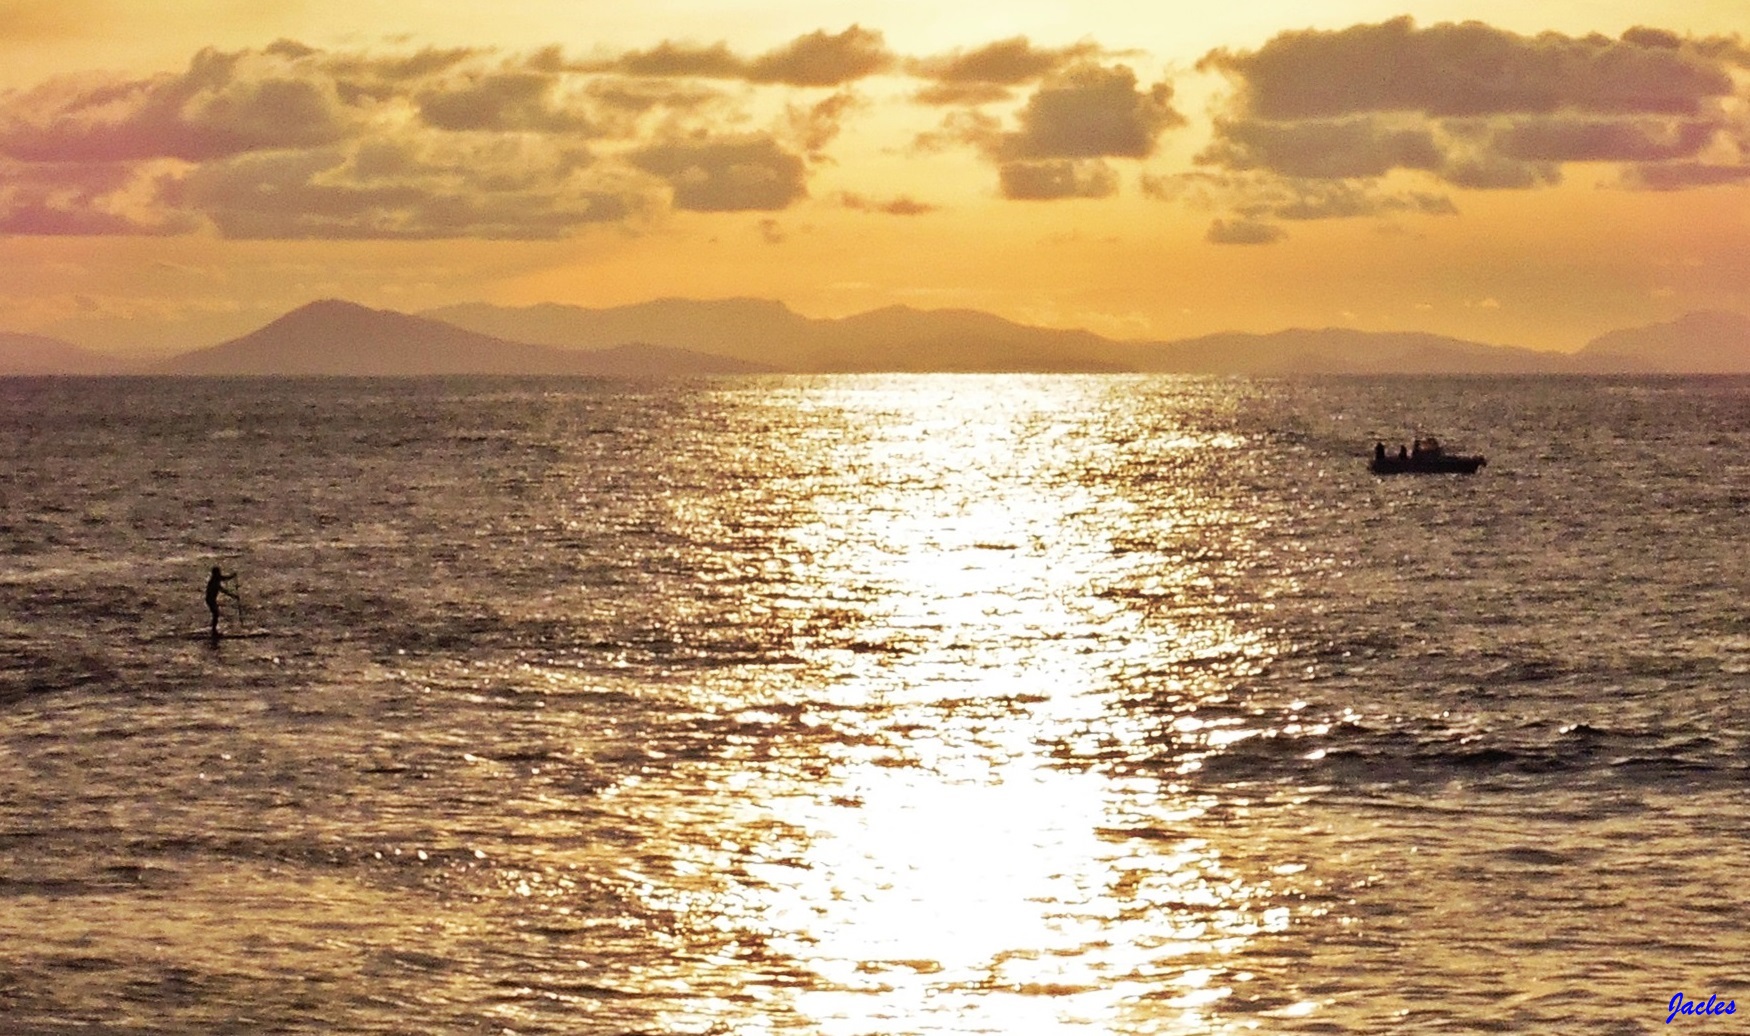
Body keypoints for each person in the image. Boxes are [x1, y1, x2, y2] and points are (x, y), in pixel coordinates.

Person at [206, 565, 238, 637]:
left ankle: (214, 630)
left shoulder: (216, 579)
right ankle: (214, 631)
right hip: (210, 600)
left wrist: (232, 576)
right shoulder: (214, 581)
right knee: (216, 614)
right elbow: (223, 590)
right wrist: (233, 595)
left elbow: (225, 578)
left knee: (216, 614)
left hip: (211, 600)